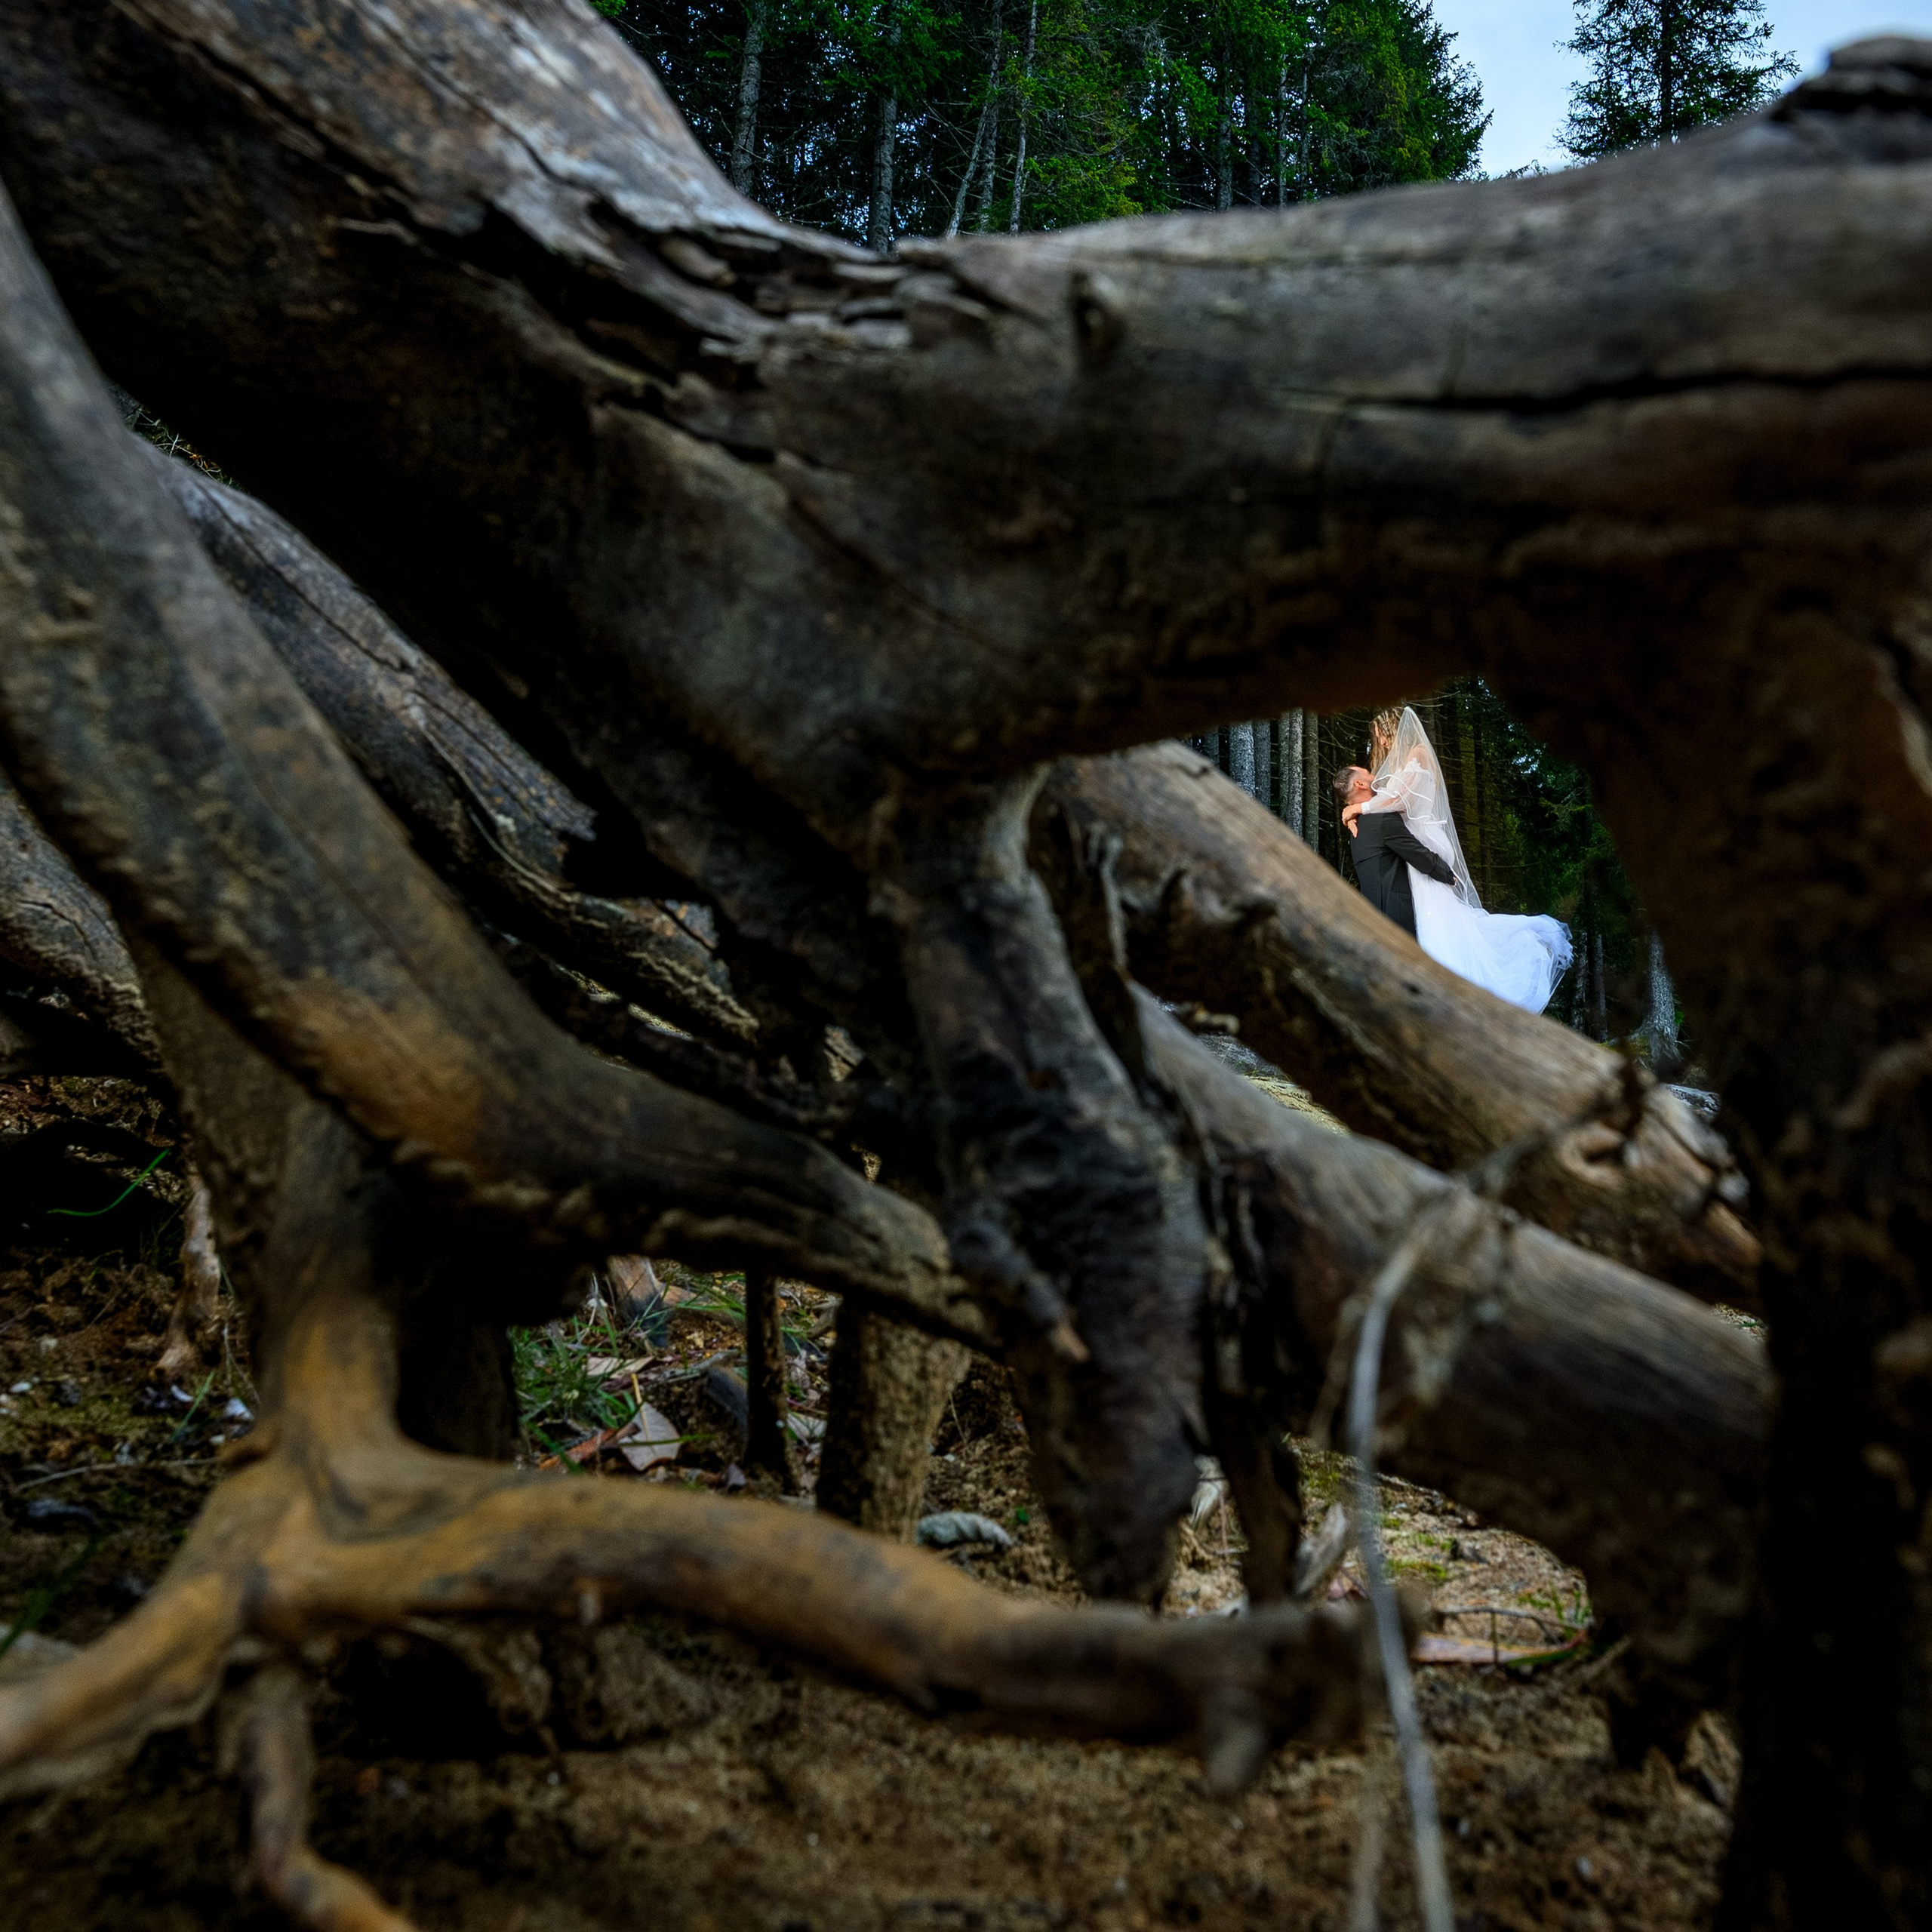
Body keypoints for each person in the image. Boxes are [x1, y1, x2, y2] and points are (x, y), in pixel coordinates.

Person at [1337, 706, 1573, 1015]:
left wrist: (1357, 809)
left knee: (1438, 917)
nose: (1379, 743)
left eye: (1380, 735)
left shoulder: (1418, 754)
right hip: (1417, 847)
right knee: (1441, 920)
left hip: (1427, 842)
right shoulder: (1394, 767)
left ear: (1392, 728)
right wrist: (1353, 812)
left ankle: (1454, 989)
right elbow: (1384, 810)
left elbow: (1399, 800)